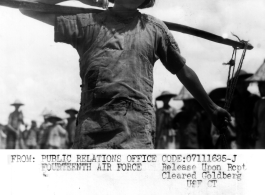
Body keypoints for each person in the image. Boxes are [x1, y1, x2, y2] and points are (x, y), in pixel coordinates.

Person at [20, 0, 230, 149]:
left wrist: (211, 108)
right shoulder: (89, 23)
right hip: (92, 137)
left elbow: (182, 70)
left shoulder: (155, 29)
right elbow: (26, 6)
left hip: (136, 137)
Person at [230, 70, 260, 149]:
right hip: (240, 139)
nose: (240, 86)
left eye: (243, 83)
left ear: (247, 83)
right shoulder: (234, 100)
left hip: (253, 139)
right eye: (238, 83)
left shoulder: (255, 99)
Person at [246, 59, 265, 149]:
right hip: (261, 139)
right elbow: (255, 122)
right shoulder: (258, 103)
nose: (259, 87)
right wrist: (253, 131)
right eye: (259, 85)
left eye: (262, 85)